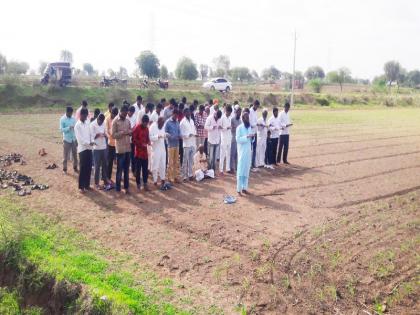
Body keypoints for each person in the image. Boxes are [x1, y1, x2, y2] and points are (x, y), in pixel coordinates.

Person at [111, 105, 132, 193]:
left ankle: (126, 188)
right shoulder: (115, 121)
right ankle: (118, 188)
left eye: (127, 113)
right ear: (121, 111)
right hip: (120, 149)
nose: (126, 114)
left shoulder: (127, 120)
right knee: (119, 170)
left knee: (127, 170)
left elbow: (130, 131)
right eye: (125, 113)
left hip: (127, 148)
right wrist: (122, 133)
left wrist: (130, 132)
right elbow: (113, 135)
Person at [74, 108, 94, 193]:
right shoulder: (77, 125)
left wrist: (92, 141)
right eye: (85, 115)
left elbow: (91, 133)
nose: (86, 117)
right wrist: (89, 143)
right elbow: (80, 139)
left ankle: (87, 185)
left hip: (89, 148)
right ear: (81, 115)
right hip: (82, 149)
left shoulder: (87, 122)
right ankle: (81, 187)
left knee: (89, 167)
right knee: (83, 168)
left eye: (87, 115)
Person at [90, 114, 111, 190]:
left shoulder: (103, 123)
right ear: (97, 119)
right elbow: (91, 137)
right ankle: (96, 183)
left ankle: (105, 180)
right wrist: (98, 135)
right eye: (100, 121)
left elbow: (105, 132)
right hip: (96, 148)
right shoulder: (92, 125)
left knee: (105, 165)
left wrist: (106, 135)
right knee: (97, 166)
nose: (101, 123)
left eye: (102, 122)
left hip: (104, 147)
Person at [236, 112, 254, 196]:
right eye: (246, 118)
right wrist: (246, 137)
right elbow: (238, 139)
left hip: (248, 152)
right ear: (243, 119)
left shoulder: (249, 127)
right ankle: (239, 189)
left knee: (246, 170)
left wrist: (252, 137)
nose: (248, 119)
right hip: (242, 153)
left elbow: (251, 140)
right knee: (240, 171)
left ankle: (244, 188)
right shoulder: (239, 128)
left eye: (248, 118)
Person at [132, 114, 150, 191]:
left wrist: (148, 142)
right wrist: (140, 144)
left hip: (145, 153)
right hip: (138, 153)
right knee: (138, 170)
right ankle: (138, 184)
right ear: (142, 121)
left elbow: (148, 138)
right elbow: (133, 139)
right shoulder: (137, 128)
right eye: (145, 123)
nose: (146, 124)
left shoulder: (147, 129)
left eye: (147, 123)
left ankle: (145, 183)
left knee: (145, 170)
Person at [60, 106, 78, 174]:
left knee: (75, 155)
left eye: (71, 113)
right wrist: (68, 128)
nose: (71, 114)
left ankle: (75, 167)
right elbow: (61, 130)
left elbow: (76, 128)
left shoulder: (73, 118)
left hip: (73, 139)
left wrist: (76, 139)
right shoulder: (62, 119)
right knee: (65, 156)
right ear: (67, 112)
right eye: (70, 113)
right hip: (66, 140)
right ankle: (64, 169)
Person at [180, 108, 197, 181]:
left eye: (189, 112)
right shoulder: (182, 122)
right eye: (187, 113)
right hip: (186, 144)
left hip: (192, 143)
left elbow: (194, 130)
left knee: (191, 161)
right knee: (185, 161)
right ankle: (184, 176)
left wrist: (195, 134)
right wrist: (187, 135)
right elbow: (181, 134)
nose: (189, 113)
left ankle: (190, 175)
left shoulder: (192, 121)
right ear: (184, 113)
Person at [149, 117, 167, 187]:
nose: (163, 125)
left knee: (163, 164)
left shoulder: (162, 126)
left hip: (162, 148)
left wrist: (165, 135)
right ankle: (155, 180)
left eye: (163, 124)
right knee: (155, 165)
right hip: (155, 149)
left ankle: (163, 179)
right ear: (158, 122)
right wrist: (157, 136)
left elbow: (163, 134)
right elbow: (150, 138)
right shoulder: (152, 127)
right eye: (162, 124)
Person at [165, 109, 181, 183]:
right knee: (170, 162)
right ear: (172, 114)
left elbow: (179, 132)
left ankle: (176, 177)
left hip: (177, 144)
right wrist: (171, 136)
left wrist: (180, 136)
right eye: (175, 115)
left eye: (177, 115)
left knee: (176, 161)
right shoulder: (168, 122)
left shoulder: (177, 122)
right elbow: (165, 132)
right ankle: (169, 177)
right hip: (170, 145)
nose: (176, 116)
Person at [105, 107, 118, 182]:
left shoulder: (117, 119)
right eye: (113, 114)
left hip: (118, 144)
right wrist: (109, 136)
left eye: (116, 115)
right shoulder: (107, 119)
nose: (114, 116)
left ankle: (118, 177)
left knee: (119, 161)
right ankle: (108, 176)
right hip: (110, 143)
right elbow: (106, 130)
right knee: (109, 161)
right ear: (111, 113)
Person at [219, 104, 233, 175]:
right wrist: (226, 128)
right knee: (222, 154)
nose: (230, 113)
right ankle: (221, 170)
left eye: (230, 112)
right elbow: (219, 127)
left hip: (229, 137)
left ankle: (227, 169)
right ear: (226, 111)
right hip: (224, 138)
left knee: (228, 154)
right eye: (229, 112)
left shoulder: (230, 118)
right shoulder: (222, 118)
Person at [230, 105, 242, 172]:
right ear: (236, 112)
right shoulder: (232, 119)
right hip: (233, 139)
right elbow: (232, 129)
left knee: (237, 154)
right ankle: (232, 167)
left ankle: (237, 167)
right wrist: (237, 129)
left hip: (238, 139)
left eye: (240, 113)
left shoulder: (240, 121)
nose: (239, 114)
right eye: (238, 112)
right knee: (232, 154)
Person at [249, 100, 260, 169]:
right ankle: (249, 164)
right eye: (256, 106)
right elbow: (250, 124)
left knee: (254, 149)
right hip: (250, 133)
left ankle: (253, 163)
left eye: (258, 106)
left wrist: (257, 124)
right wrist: (256, 124)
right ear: (253, 104)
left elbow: (256, 122)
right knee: (250, 149)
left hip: (255, 133)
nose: (257, 107)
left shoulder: (256, 112)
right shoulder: (250, 111)